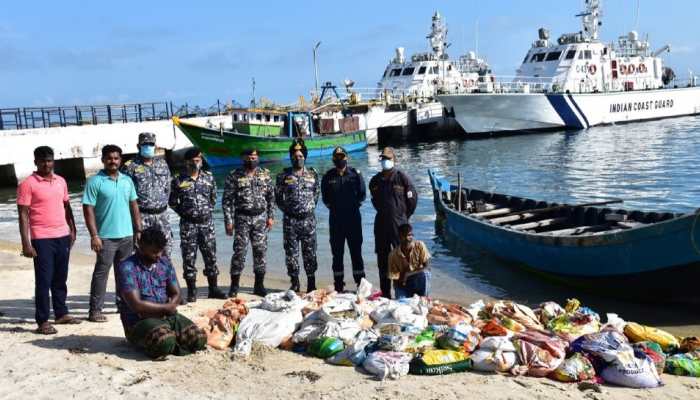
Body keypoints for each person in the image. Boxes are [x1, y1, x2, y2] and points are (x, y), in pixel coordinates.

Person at [17, 146, 80, 334]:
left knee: (61, 277)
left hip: (63, 235)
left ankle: (61, 313)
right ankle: (42, 320)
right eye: (43, 160)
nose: (47, 164)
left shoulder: (61, 181)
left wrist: (73, 229)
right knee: (44, 280)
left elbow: (67, 206)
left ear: (54, 161)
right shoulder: (27, 184)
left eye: (50, 160)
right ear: (35, 162)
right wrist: (26, 243)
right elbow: (23, 215)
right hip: (41, 238)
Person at [116, 227, 207, 359]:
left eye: (160, 251)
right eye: (154, 252)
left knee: (198, 338)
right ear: (141, 246)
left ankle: (172, 338)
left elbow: (177, 293)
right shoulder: (127, 267)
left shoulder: (164, 263)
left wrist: (171, 306)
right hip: (139, 321)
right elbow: (136, 305)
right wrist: (166, 307)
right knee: (164, 342)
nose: (158, 255)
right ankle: (169, 341)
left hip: (167, 316)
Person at [83, 145, 142, 323]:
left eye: (116, 158)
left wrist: (138, 230)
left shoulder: (127, 181)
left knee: (124, 273)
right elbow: (88, 209)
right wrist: (94, 235)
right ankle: (95, 311)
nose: (113, 161)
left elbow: (134, 206)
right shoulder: (94, 182)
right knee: (101, 273)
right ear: (103, 160)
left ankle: (122, 305)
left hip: (127, 236)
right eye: (109, 158)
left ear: (120, 160)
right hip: (105, 237)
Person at [169, 148, 226, 302]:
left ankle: (213, 288)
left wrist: (205, 211)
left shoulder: (209, 178)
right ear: (187, 162)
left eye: (198, 160)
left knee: (211, 257)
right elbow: (172, 202)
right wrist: (186, 213)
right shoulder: (178, 180)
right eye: (193, 161)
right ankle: (192, 291)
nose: (196, 163)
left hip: (207, 224)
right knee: (189, 258)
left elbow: (213, 198)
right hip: (188, 225)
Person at [222, 148, 275, 297]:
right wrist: (228, 221)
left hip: (260, 218)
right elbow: (227, 201)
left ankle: (259, 286)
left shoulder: (265, 175)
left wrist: (271, 216)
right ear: (243, 158)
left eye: (254, 157)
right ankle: (234, 286)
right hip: (242, 219)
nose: (251, 160)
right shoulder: (234, 176)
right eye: (248, 157)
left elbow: (271, 197)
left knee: (260, 252)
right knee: (239, 252)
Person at [369, 147, 417, 299]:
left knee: (402, 260)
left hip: (399, 226)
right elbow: (374, 201)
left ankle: (402, 293)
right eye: (383, 158)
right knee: (383, 261)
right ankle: (385, 294)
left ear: (394, 160)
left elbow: (412, 201)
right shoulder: (375, 181)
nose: (385, 161)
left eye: (388, 158)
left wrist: (403, 217)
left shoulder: (402, 178)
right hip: (381, 225)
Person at [275, 139, 320, 292]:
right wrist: (289, 210)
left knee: (310, 252)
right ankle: (295, 282)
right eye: (295, 156)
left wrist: (307, 209)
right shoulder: (283, 175)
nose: (298, 158)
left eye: (301, 156)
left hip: (308, 221)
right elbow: (278, 198)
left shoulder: (313, 174)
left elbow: (316, 195)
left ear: (305, 157)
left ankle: (311, 283)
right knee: (291, 254)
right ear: (291, 157)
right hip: (290, 222)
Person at [321, 146, 366, 292]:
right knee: (337, 254)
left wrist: (350, 207)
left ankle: (360, 285)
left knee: (356, 253)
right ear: (333, 159)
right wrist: (337, 209)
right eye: (337, 157)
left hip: (353, 220)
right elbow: (325, 199)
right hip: (336, 221)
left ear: (347, 157)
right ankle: (339, 285)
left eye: (342, 157)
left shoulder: (355, 174)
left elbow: (362, 195)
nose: (340, 159)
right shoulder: (328, 177)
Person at [121, 132, 173, 257]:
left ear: (155, 146)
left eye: (151, 144)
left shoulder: (162, 164)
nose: (148, 146)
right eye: (145, 144)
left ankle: (163, 276)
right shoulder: (129, 167)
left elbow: (168, 188)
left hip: (162, 216)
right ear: (138, 146)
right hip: (141, 216)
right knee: (141, 251)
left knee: (166, 250)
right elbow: (125, 196)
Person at [388, 223, 431, 299]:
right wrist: (403, 280)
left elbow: (427, 267)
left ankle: (424, 297)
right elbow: (394, 278)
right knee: (401, 304)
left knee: (426, 273)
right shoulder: (393, 255)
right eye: (405, 236)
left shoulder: (420, 245)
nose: (408, 238)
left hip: (420, 279)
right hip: (404, 284)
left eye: (410, 235)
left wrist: (409, 274)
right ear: (399, 237)